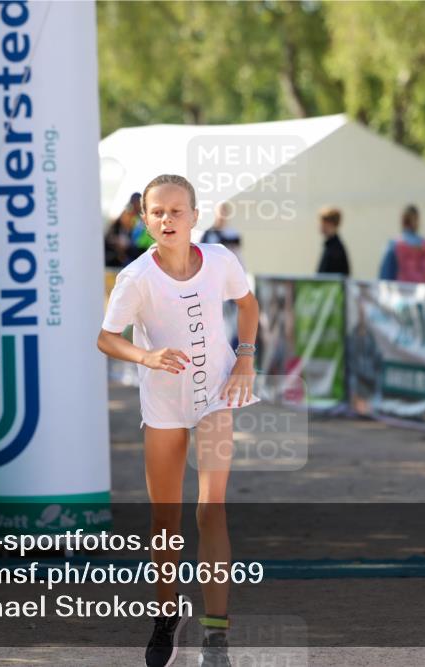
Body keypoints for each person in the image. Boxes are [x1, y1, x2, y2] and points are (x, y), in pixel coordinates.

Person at [97, 174, 259, 667]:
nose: (168, 219)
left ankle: (216, 637)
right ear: (145, 220)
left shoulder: (221, 261)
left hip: (215, 395)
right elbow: (107, 338)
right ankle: (167, 614)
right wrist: (145, 357)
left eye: (177, 211)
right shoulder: (136, 277)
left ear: (194, 216)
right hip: (164, 403)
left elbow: (248, 306)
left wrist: (246, 358)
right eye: (158, 212)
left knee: (211, 510)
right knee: (164, 520)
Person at [379, 205, 425, 284]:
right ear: (417, 221)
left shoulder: (393, 245)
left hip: (400, 294)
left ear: (402, 221)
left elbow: (384, 279)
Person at [316, 206, 350, 276]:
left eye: (324, 223)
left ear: (332, 224)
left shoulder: (336, 249)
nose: (321, 226)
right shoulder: (330, 245)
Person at [105, 201, 140, 268]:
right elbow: (107, 242)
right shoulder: (114, 228)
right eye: (126, 215)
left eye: (131, 215)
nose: (128, 218)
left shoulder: (137, 230)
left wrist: (128, 247)